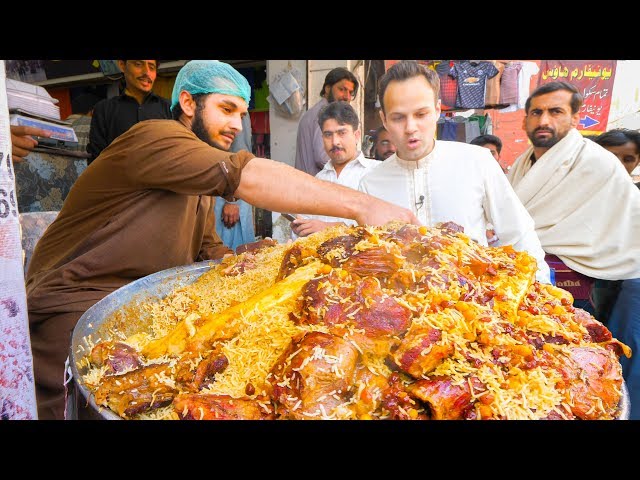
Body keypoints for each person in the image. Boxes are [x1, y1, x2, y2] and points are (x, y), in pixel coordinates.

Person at [25, 60, 417, 420]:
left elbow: (208, 251)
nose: (236, 125)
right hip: (74, 310)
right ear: (188, 103)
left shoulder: (192, 176)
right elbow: (245, 175)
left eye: (241, 115)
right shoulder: (153, 137)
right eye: (226, 109)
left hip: (142, 317)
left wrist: (252, 260)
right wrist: (364, 207)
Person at [506, 81, 640, 419]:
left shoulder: (598, 163)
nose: (544, 120)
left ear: (575, 118)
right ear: (525, 120)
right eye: (536, 112)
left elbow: (626, 222)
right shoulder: (522, 164)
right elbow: (516, 224)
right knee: (538, 367)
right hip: (533, 282)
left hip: (589, 286)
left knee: (585, 371)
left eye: (556, 112)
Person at [358, 60, 550, 283]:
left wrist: (542, 290)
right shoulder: (371, 184)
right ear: (384, 119)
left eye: (421, 114)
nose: (411, 127)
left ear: (437, 110)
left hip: (474, 305)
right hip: (402, 310)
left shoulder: (476, 162)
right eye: (398, 117)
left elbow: (519, 235)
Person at [292, 101, 378, 237]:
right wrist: (301, 228)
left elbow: (385, 226)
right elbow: (301, 234)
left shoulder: (376, 173)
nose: (335, 142)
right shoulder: (317, 182)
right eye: (328, 135)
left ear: (356, 135)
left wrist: (330, 229)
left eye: (341, 133)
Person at [87, 60, 171, 164]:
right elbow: (96, 160)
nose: (146, 72)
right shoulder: (104, 110)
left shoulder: (169, 108)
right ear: (122, 65)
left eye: (152, 67)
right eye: (138, 64)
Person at [294, 67, 359, 176]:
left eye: (350, 92)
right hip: (315, 187)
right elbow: (322, 157)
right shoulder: (324, 115)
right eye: (342, 89)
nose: (347, 96)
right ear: (328, 89)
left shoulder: (316, 112)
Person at [214, 114, 256, 251]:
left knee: (234, 255)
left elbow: (239, 158)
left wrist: (232, 201)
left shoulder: (231, 109)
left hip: (229, 194)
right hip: (217, 191)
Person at [470, 134, 505, 244]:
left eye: (492, 153)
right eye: (482, 153)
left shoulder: (508, 180)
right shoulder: (468, 182)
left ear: (499, 156)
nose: (487, 157)